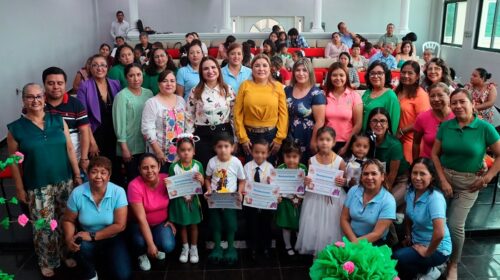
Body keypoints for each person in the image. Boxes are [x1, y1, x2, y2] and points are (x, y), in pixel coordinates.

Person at [8, 83, 82, 277]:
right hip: (37, 184)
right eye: (30, 97)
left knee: (64, 220)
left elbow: (69, 150)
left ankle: (65, 253)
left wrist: (76, 174)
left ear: (44, 98)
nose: (35, 100)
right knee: (43, 225)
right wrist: (19, 188)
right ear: (23, 100)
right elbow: (14, 162)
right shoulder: (16, 129)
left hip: (64, 180)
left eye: (39, 96)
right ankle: (47, 260)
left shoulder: (58, 120)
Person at [431, 88, 500, 279]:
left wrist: (487, 177)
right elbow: (434, 154)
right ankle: (436, 257)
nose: (458, 106)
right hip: (443, 178)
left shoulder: (485, 128)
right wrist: (443, 180)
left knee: (454, 225)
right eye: (454, 103)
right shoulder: (446, 126)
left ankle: (453, 263)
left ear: (472, 103)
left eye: (462, 102)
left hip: (468, 184)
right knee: (437, 221)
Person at [63, 156, 131, 280]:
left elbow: (120, 225)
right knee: (80, 244)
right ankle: (91, 273)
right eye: (94, 172)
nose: (98, 176)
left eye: (103, 173)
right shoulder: (77, 193)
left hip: (112, 238)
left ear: (109, 176)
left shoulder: (118, 192)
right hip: (87, 239)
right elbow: (68, 220)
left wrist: (93, 235)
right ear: (88, 174)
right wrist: (68, 239)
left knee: (123, 275)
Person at [393, 158, 451, 280]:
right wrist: (408, 236)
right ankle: (424, 270)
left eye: (422, 174)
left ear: (432, 177)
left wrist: (427, 252)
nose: (417, 177)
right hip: (417, 241)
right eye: (415, 173)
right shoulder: (410, 191)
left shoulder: (435, 198)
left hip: (437, 249)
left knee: (397, 258)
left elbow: (439, 233)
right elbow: (408, 215)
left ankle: (433, 269)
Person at [295, 127, 347, 255]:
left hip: (333, 201)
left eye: (328, 140)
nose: (324, 142)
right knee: (315, 225)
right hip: (315, 199)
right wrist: (307, 181)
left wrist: (343, 182)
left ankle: (332, 253)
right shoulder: (311, 160)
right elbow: (310, 179)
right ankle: (316, 253)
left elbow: (345, 180)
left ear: (334, 142)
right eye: (321, 139)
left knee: (332, 226)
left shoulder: (340, 161)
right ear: (317, 141)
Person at [77, 54, 122, 185]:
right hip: (96, 133)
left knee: (115, 167)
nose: (99, 68)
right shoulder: (84, 86)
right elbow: (83, 117)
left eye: (103, 65)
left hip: (114, 132)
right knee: (99, 169)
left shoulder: (115, 84)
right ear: (90, 68)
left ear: (108, 68)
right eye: (95, 65)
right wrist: (92, 142)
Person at [234, 54, 288, 164]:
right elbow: (237, 113)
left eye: (264, 65)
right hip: (249, 137)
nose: (261, 69)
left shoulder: (277, 86)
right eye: (257, 66)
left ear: (270, 68)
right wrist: (243, 138)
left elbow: (283, 114)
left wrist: (279, 139)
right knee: (251, 171)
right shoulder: (245, 85)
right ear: (252, 68)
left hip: (271, 136)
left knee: (269, 172)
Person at [128, 153, 177, 271]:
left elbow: (177, 201)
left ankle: (155, 244)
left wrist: (171, 219)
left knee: (168, 245)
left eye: (153, 166)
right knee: (139, 242)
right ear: (139, 169)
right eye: (145, 168)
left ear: (159, 166)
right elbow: (141, 219)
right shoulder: (134, 186)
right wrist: (150, 244)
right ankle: (142, 253)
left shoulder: (167, 179)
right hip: (139, 224)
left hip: (160, 223)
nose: (149, 171)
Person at [204, 133, 246, 264]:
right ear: (215, 148)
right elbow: (207, 178)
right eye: (219, 146)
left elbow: (242, 180)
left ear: (232, 147)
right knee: (216, 224)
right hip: (215, 199)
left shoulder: (236, 162)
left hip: (230, 201)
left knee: (231, 224)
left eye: (226, 146)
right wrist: (209, 189)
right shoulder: (212, 162)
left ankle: (230, 248)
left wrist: (240, 192)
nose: (223, 149)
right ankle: (217, 248)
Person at [186, 57, 235, 167]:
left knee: (223, 170)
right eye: (206, 69)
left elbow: (234, 116)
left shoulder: (228, 89)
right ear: (201, 72)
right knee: (206, 168)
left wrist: (235, 139)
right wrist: (190, 139)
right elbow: (189, 115)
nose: (210, 71)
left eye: (213, 67)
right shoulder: (195, 91)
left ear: (218, 69)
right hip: (203, 136)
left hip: (224, 134)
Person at [43, 67, 90, 172]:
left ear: (65, 84)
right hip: (44, 161)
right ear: (44, 84)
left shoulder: (75, 104)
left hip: (72, 159)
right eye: (51, 83)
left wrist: (84, 158)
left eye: (60, 83)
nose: (56, 87)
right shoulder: (36, 104)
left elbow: (84, 132)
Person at [113, 63, 154, 184]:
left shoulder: (149, 93)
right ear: (126, 77)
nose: (136, 79)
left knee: (148, 179)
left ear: (143, 75)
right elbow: (119, 123)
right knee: (134, 180)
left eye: (138, 75)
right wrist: (124, 148)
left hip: (147, 145)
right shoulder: (121, 96)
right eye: (131, 75)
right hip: (130, 147)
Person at [340, 159, 396, 245]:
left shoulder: (389, 200)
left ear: (382, 177)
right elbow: (344, 219)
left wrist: (354, 244)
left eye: (374, 173)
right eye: (365, 174)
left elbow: (377, 233)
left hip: (375, 244)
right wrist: (353, 241)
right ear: (361, 177)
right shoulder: (353, 190)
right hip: (351, 238)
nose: (369, 177)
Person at [168, 135, 204, 264]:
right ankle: (185, 248)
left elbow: (203, 183)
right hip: (179, 201)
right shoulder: (174, 167)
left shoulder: (198, 165)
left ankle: (194, 248)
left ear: (194, 151)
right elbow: (171, 186)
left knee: (193, 225)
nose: (186, 153)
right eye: (182, 150)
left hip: (194, 201)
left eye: (189, 149)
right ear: (177, 151)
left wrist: (201, 180)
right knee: (182, 225)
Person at [142, 70, 186, 173]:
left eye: (172, 81)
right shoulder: (152, 103)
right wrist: (157, 151)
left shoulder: (181, 101)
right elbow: (147, 129)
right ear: (159, 84)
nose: (169, 84)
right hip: (160, 154)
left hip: (181, 154)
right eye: (165, 81)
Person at [285, 58, 326, 164]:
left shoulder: (316, 93)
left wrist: (314, 141)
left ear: (310, 73)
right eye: (297, 70)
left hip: (307, 137)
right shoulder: (287, 90)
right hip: (288, 136)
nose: (301, 73)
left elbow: (320, 121)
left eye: (304, 70)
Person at [367, 107, 410, 206]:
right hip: (375, 178)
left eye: (383, 121)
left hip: (399, 180)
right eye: (374, 121)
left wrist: (383, 195)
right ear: (369, 124)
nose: (378, 124)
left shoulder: (394, 145)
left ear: (387, 125)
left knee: (385, 204)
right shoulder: (366, 140)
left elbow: (392, 175)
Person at [243, 139, 275, 259]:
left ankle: (266, 247)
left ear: (267, 154)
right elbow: (244, 182)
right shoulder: (247, 167)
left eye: (263, 153)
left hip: (265, 204)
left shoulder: (270, 167)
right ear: (252, 152)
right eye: (257, 152)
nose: (260, 155)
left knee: (266, 225)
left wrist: (270, 184)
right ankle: (252, 248)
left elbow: (273, 186)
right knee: (252, 225)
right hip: (250, 204)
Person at [275, 141, 307, 256]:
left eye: (294, 157)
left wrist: (301, 196)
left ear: (299, 157)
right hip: (285, 202)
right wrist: (277, 195)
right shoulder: (280, 169)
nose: (291, 160)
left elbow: (307, 186)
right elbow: (275, 186)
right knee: (286, 226)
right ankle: (288, 246)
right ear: (283, 156)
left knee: (299, 225)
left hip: (299, 202)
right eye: (288, 157)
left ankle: (298, 245)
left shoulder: (303, 169)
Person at [324, 62, 363, 155]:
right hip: (326, 143)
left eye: (341, 75)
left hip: (347, 143)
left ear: (346, 77)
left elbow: (358, 124)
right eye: (334, 75)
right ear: (329, 77)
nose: (338, 78)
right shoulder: (323, 95)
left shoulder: (354, 96)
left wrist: (347, 146)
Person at [395, 61, 430, 163]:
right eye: (403, 72)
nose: (406, 76)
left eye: (410, 73)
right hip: (395, 137)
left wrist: (402, 131)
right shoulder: (396, 90)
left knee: (406, 170)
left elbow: (422, 121)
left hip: (411, 139)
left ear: (417, 76)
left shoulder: (421, 95)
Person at [413, 83, 454, 159]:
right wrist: (415, 163)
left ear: (449, 96)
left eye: (440, 95)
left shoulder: (457, 116)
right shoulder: (422, 118)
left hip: (451, 167)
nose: (436, 99)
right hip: (428, 164)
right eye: (432, 96)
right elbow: (416, 143)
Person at [361, 61, 400, 134]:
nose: (375, 76)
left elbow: (393, 124)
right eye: (372, 73)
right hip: (363, 139)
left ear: (386, 75)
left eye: (380, 73)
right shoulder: (367, 92)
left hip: (379, 141)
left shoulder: (390, 96)